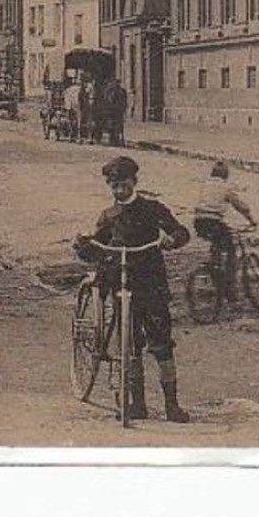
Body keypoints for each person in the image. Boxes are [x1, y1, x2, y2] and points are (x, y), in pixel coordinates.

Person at [73, 155, 192, 422]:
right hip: (122, 284)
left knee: (161, 343)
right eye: (114, 186)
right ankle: (137, 404)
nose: (119, 190)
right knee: (130, 344)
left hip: (151, 282)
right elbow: (95, 248)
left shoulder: (152, 209)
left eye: (123, 184)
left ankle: (172, 405)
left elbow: (182, 231)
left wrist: (172, 239)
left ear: (134, 182)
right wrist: (82, 245)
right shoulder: (109, 216)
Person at [193, 161, 258, 300]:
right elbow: (241, 207)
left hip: (199, 222)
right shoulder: (226, 187)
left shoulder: (205, 184)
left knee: (216, 245)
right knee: (231, 251)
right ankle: (229, 288)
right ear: (226, 175)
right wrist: (251, 220)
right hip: (214, 221)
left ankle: (214, 272)